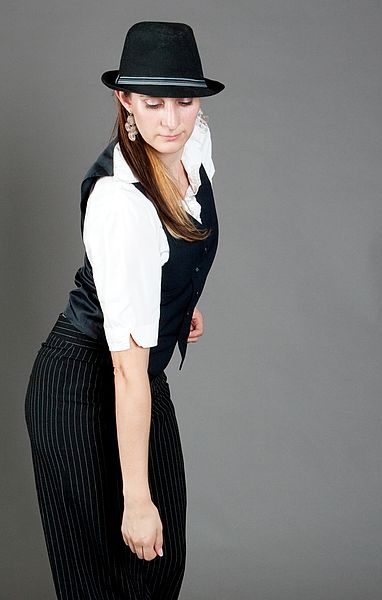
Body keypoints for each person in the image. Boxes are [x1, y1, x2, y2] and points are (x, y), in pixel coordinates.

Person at [24, 21, 225, 599]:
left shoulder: (194, 141)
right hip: (83, 382)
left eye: (184, 101)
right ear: (125, 101)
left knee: (161, 566)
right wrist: (136, 501)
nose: (171, 119)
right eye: (152, 102)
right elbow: (125, 371)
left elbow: (180, 241)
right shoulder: (121, 202)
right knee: (107, 578)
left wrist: (178, 302)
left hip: (134, 373)